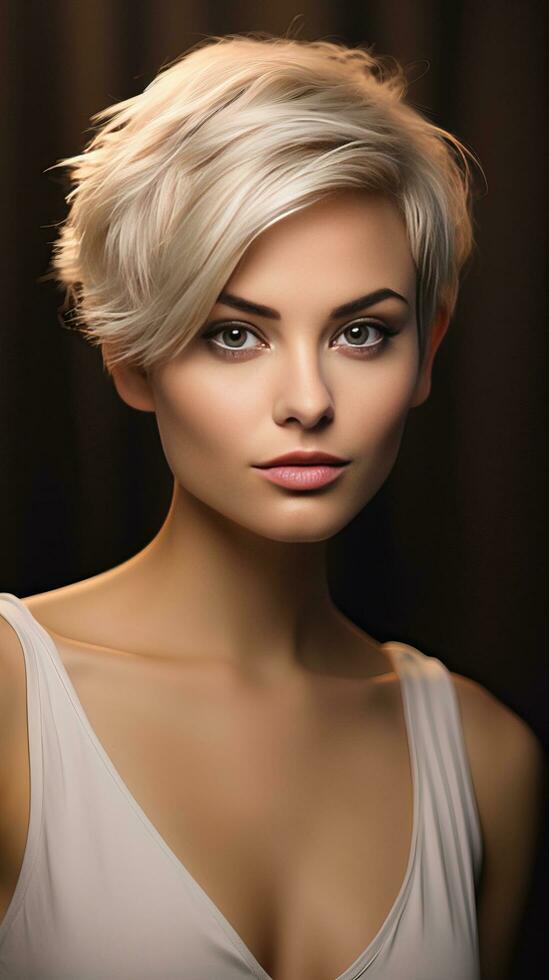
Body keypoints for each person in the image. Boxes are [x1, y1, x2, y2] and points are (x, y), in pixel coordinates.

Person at [0, 33, 543, 980]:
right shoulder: (9, 702)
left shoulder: (487, 760)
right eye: (235, 333)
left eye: (362, 332)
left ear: (428, 350)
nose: (308, 399)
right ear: (129, 354)